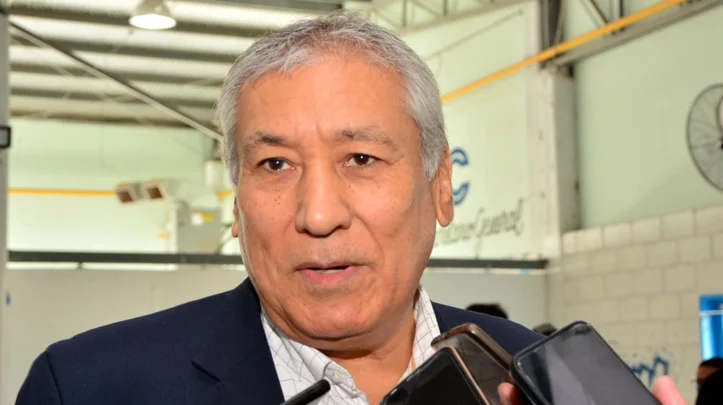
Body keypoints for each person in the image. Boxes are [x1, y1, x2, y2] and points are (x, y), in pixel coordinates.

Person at [16, 11, 687, 405]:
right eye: (274, 164)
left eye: (361, 159)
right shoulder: (91, 388)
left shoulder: (537, 377)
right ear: (237, 202)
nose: (317, 213)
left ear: (440, 187)